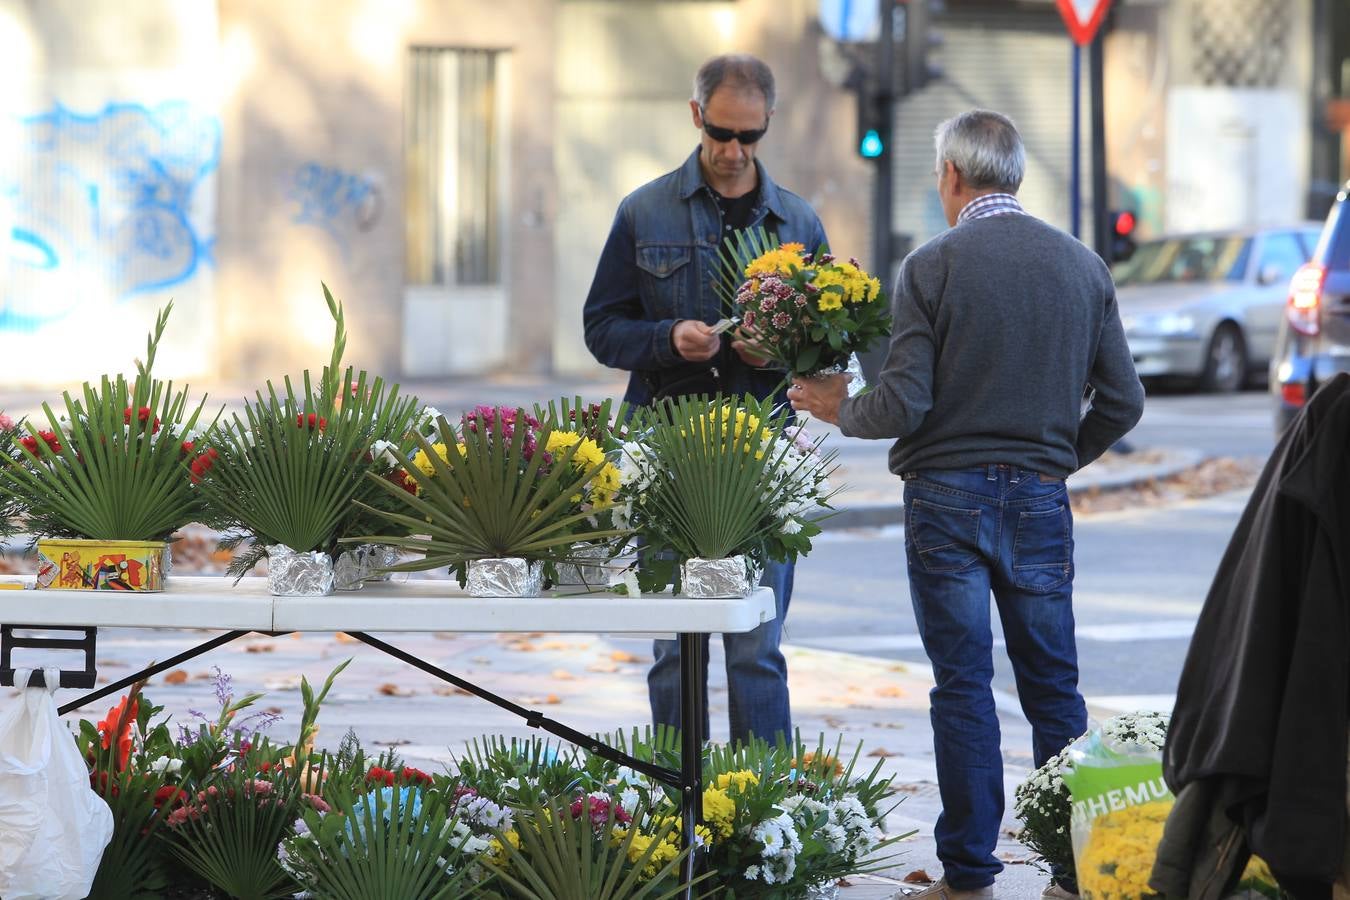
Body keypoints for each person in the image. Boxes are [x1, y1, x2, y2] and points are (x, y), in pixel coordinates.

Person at [788, 109, 1144, 899]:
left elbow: (904, 403)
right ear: (1014, 176)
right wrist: (1056, 462)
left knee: (962, 685)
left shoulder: (933, 265)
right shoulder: (1083, 267)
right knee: (1054, 687)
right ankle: (1078, 870)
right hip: (1040, 501)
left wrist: (834, 408)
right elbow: (1124, 401)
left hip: (945, 500)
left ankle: (969, 873)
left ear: (951, 175)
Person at [582, 53, 827, 747]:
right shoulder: (644, 209)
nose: (732, 150)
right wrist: (666, 339)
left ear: (768, 125)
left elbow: (831, 354)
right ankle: (675, 809)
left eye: (749, 137)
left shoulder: (798, 224)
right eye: (722, 132)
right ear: (697, 116)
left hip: (763, 460)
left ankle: (763, 820)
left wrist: (778, 352)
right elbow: (601, 328)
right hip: (664, 452)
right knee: (674, 647)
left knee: (758, 646)